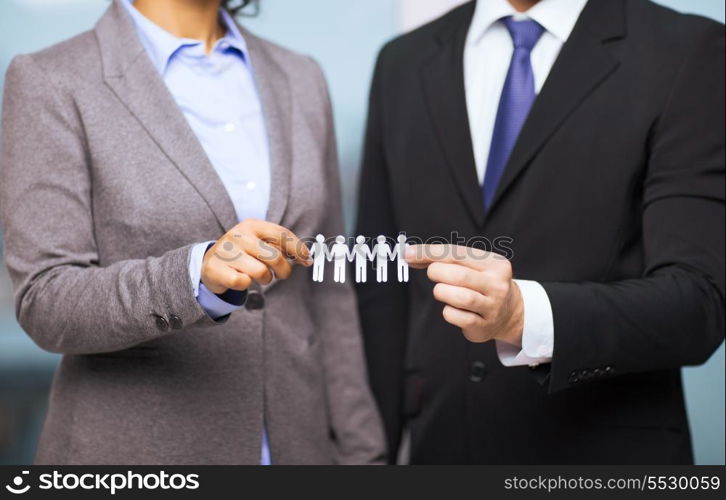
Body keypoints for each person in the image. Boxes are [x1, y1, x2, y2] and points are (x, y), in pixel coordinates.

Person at [0, 0, 385, 465]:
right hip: (139, 453)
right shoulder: (52, 79)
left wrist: (364, 453)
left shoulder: (300, 77)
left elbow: (329, 294)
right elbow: (46, 298)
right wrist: (194, 276)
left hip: (298, 446)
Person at [356, 0, 724, 464]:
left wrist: (522, 316)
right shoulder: (402, 62)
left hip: (606, 456)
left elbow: (698, 300)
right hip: (442, 448)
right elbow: (381, 294)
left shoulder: (684, 50)